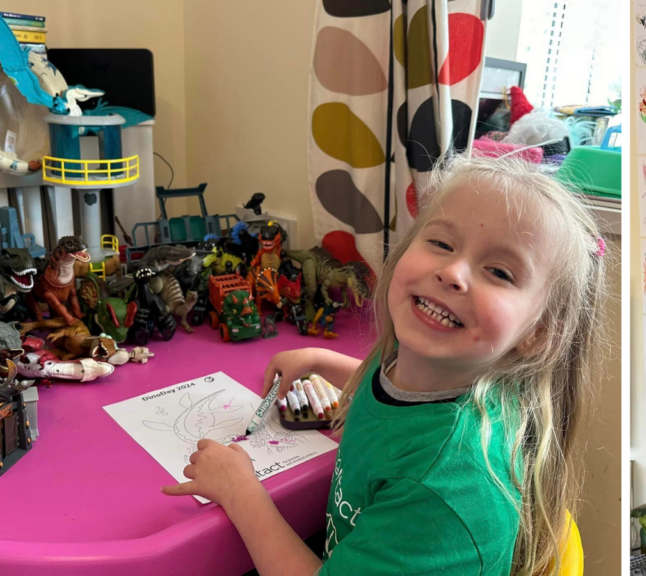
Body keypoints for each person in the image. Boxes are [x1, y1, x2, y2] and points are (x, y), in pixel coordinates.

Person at [160, 155, 608, 576]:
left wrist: (241, 491)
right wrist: (319, 358)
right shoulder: (431, 367)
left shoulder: (447, 486)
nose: (454, 272)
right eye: (441, 242)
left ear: (539, 333)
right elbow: (385, 382)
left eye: (500, 272)